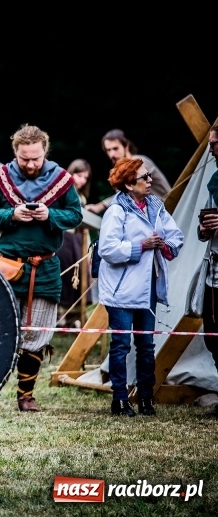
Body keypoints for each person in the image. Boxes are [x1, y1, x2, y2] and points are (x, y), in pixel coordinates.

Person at [0, 124, 83, 414]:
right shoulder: (0, 179)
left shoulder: (62, 180)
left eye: (36, 158)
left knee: (36, 335)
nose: (31, 164)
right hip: (6, 267)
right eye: (25, 159)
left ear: (44, 151)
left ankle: (26, 396)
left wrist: (50, 214)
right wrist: (11, 214)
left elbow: (76, 214)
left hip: (45, 268)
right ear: (16, 152)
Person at [98, 157, 183, 416]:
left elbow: (176, 236)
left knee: (146, 345)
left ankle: (146, 398)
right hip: (121, 290)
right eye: (143, 178)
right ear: (127, 185)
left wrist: (163, 244)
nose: (149, 181)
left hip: (148, 288)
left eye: (148, 176)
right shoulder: (116, 210)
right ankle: (120, 399)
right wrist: (140, 246)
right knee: (121, 345)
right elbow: (107, 248)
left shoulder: (156, 206)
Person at [86, 129, 172, 214]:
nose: (112, 154)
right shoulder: (122, 170)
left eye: (115, 148)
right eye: (108, 150)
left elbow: (125, 194)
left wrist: (101, 206)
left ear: (126, 147)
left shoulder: (139, 163)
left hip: (170, 213)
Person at [194, 123, 218, 417]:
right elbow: (205, 230)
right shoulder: (215, 180)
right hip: (214, 270)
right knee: (212, 334)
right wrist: (203, 228)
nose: (210, 149)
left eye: (214, 144)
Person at [57, 159, 93, 326]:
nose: (82, 180)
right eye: (79, 175)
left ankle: (73, 318)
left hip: (78, 240)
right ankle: (59, 317)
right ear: (71, 173)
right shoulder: (61, 192)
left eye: (85, 177)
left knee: (79, 276)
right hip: (63, 238)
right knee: (64, 275)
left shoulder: (82, 197)